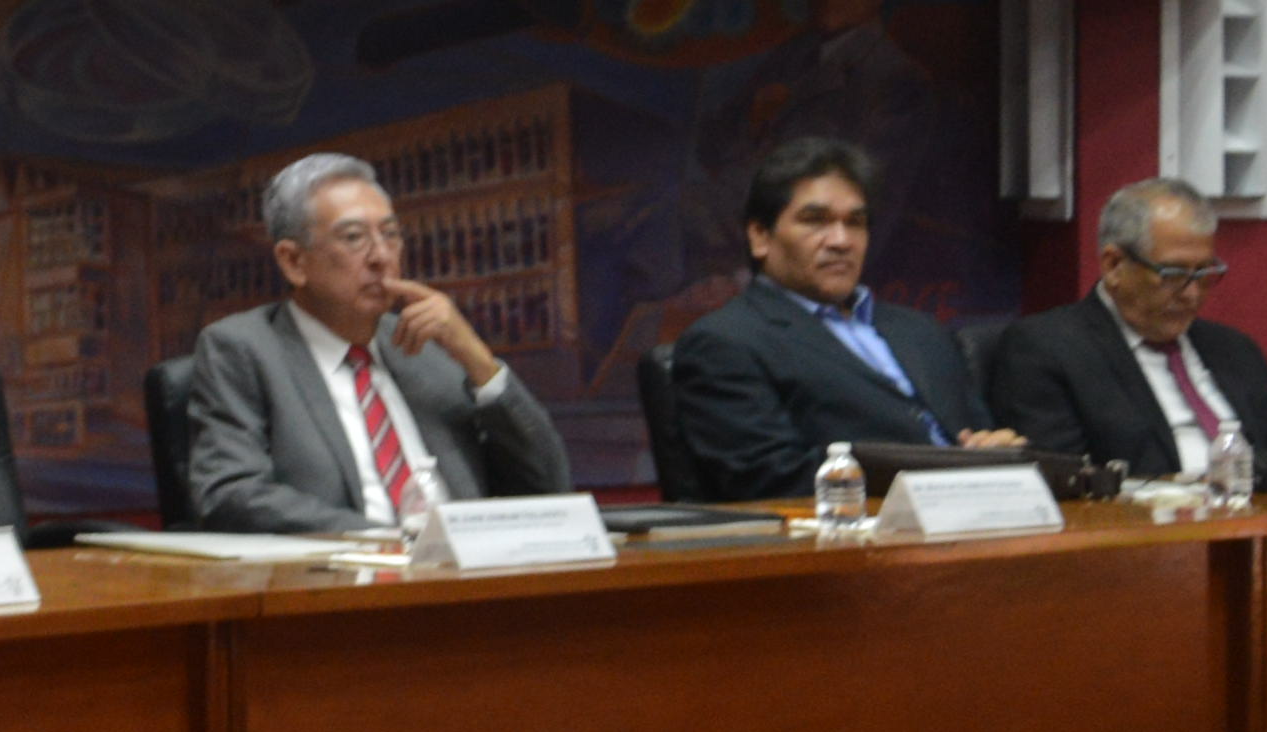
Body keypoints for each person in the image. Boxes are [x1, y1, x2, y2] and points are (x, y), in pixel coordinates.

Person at [173, 152, 574, 533]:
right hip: (342, 585)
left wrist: (479, 361)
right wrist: (389, 540)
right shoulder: (244, 348)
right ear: (293, 261)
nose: (382, 256)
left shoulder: (424, 347)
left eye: (391, 235)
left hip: (466, 582)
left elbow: (548, 484)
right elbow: (230, 494)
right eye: (354, 237)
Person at [657, 133, 1024, 499]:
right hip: (856, 539)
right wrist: (938, 476)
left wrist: (997, 447)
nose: (841, 240)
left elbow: (979, 435)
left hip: (980, 523)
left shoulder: (921, 330)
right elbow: (769, 480)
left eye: (855, 222)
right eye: (815, 220)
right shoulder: (726, 342)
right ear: (760, 236)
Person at [986, 176, 1267, 492]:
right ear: (1114, 265)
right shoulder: (1048, 349)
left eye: (1204, 273)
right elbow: (1067, 481)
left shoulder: (1234, 350)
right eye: (1173, 274)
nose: (1192, 294)